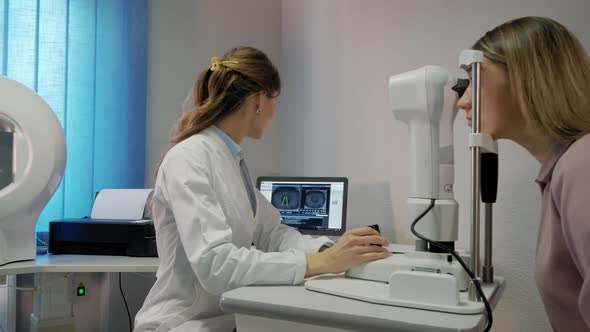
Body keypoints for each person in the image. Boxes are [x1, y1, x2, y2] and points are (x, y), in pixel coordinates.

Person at [134, 46, 390, 332]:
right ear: (258, 99)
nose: (274, 111)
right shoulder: (190, 157)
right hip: (181, 324)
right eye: (274, 100)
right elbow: (216, 266)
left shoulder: (231, 158)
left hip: (222, 319)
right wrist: (318, 263)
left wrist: (333, 249)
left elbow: (273, 232)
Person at [456, 17, 590, 331]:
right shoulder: (561, 170)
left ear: (527, 77)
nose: (463, 102)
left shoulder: (582, 165)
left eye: (475, 77)